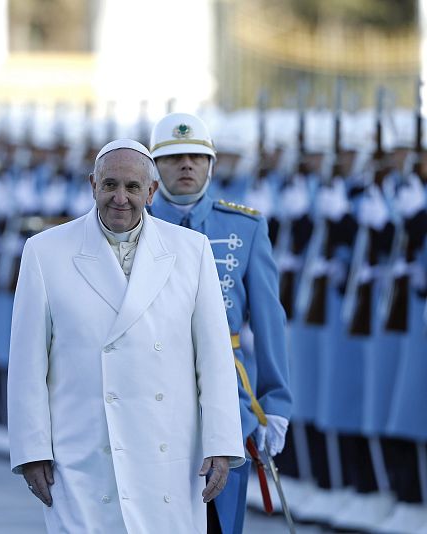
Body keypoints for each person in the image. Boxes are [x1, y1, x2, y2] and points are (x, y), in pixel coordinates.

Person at [7, 138, 245, 533]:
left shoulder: (191, 250)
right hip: (82, 455)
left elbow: (215, 359)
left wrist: (222, 442)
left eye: (133, 187)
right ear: (92, 186)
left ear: (151, 192)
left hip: (169, 457)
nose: (120, 198)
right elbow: (28, 363)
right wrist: (31, 450)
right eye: (110, 185)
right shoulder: (45, 251)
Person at [148, 112, 292, 534]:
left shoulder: (245, 226)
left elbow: (269, 321)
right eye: (174, 158)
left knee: (221, 519)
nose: (187, 165)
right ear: (155, 168)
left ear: (211, 164)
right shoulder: (134, 225)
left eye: (196, 156)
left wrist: (275, 405)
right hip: (153, 387)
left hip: (229, 391)